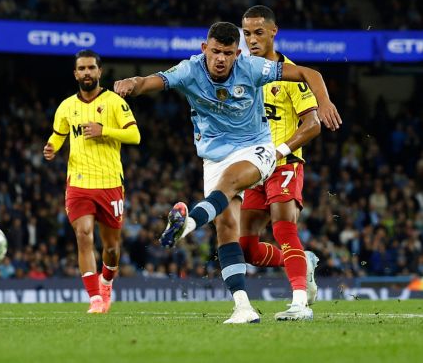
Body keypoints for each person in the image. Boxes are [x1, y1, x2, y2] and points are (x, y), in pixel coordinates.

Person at [114, 22, 341, 324]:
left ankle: (189, 224)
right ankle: (243, 306)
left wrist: (323, 101)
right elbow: (153, 80)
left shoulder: (253, 67)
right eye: (216, 51)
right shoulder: (189, 70)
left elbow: (310, 74)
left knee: (234, 185)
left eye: (228, 53)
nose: (221, 58)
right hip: (213, 156)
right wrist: (134, 82)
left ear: (237, 54)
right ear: (204, 49)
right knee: (226, 230)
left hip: (256, 149)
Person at [44, 49, 140, 314]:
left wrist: (104, 131)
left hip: (110, 184)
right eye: (82, 69)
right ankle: (95, 299)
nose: (86, 73)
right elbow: (58, 135)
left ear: (99, 71)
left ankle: (106, 282)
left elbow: (135, 136)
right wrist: (51, 147)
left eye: (91, 68)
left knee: (111, 248)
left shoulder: (114, 102)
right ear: (75, 73)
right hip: (78, 184)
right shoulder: (66, 107)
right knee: (83, 235)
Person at [240, 5, 320, 321]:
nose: (252, 39)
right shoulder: (242, 73)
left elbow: (312, 124)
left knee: (283, 227)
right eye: (246, 33)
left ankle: (299, 302)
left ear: (274, 31)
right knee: (246, 247)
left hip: (285, 164)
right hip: (253, 169)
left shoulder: (292, 75)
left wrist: (280, 151)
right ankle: (304, 261)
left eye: (258, 32)